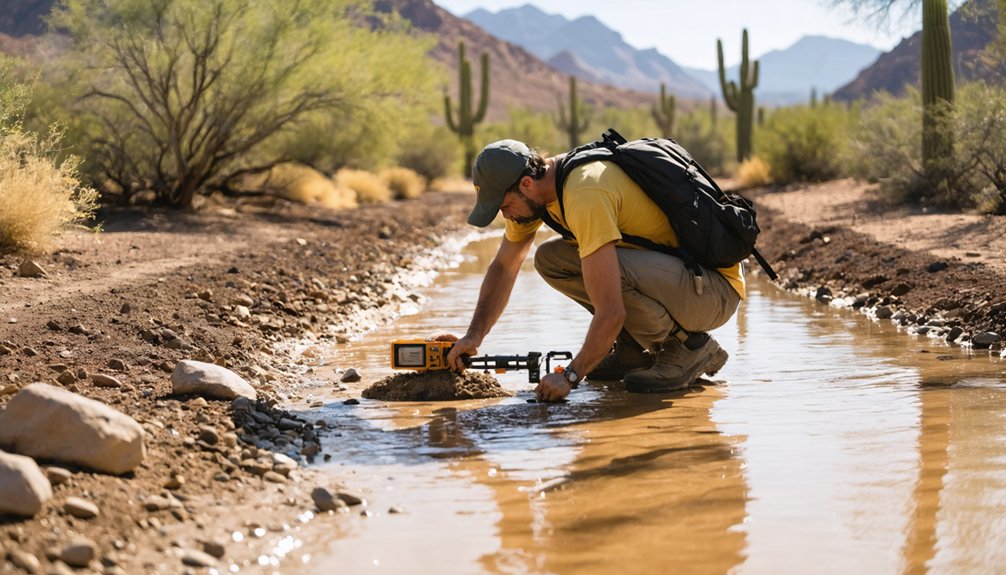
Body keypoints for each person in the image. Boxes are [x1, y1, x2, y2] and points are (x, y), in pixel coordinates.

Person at [444, 138, 745, 403]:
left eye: (503, 205)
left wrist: (571, 376)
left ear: (525, 184)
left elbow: (611, 309)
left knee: (607, 271)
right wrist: (474, 336)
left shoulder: (584, 192)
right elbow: (504, 266)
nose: (503, 213)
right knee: (551, 259)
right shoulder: (537, 192)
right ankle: (631, 351)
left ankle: (688, 347)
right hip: (679, 281)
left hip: (713, 291)